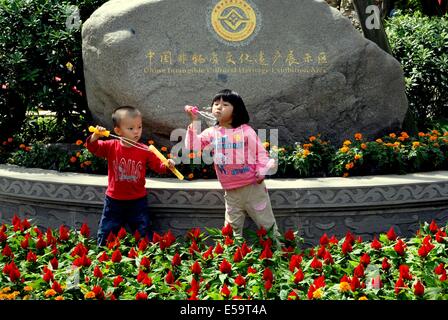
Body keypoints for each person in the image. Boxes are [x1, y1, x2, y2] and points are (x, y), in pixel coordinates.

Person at [185, 89, 279, 238]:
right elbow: (193, 146)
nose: (218, 107)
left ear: (236, 110)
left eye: (225, 104)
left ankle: (276, 254)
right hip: (231, 192)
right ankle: (231, 258)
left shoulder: (246, 131)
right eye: (216, 104)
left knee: (267, 225)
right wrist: (193, 120)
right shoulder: (212, 132)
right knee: (230, 231)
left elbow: (261, 154)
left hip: (253, 188)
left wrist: (262, 171)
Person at [86, 106, 175, 246]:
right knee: (107, 230)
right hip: (114, 200)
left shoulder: (145, 150)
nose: (136, 131)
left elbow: (158, 167)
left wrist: (168, 165)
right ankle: (103, 254)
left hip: (137, 200)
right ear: (118, 131)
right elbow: (94, 147)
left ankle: (146, 256)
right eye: (131, 128)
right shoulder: (111, 146)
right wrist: (95, 136)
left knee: (143, 231)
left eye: (139, 127)